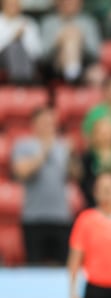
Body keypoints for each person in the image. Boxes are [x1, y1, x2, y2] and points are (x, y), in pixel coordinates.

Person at [11, 107, 75, 265]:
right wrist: (43, 152)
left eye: (51, 122)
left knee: (62, 267)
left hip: (61, 217)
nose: (48, 125)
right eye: (44, 121)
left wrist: (73, 156)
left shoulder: (63, 147)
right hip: (34, 217)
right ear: (34, 124)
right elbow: (22, 172)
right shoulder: (23, 145)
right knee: (34, 267)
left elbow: (74, 175)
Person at [39, 0, 102, 83]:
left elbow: (95, 53)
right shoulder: (49, 23)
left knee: (98, 74)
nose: (69, 5)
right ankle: (73, 77)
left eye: (73, 3)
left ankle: (72, 75)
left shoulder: (88, 23)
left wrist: (81, 43)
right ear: (59, 4)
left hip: (83, 64)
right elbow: (43, 56)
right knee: (69, 40)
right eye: (66, 2)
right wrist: (57, 43)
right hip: (54, 66)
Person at [0, 0, 42, 83]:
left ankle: (22, 82)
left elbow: (38, 52)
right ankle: (20, 82)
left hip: (26, 60)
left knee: (18, 46)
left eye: (16, 4)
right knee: (14, 46)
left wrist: (24, 39)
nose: (13, 7)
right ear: (2, 5)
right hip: (2, 60)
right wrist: (13, 37)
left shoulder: (29, 22)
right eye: (10, 4)